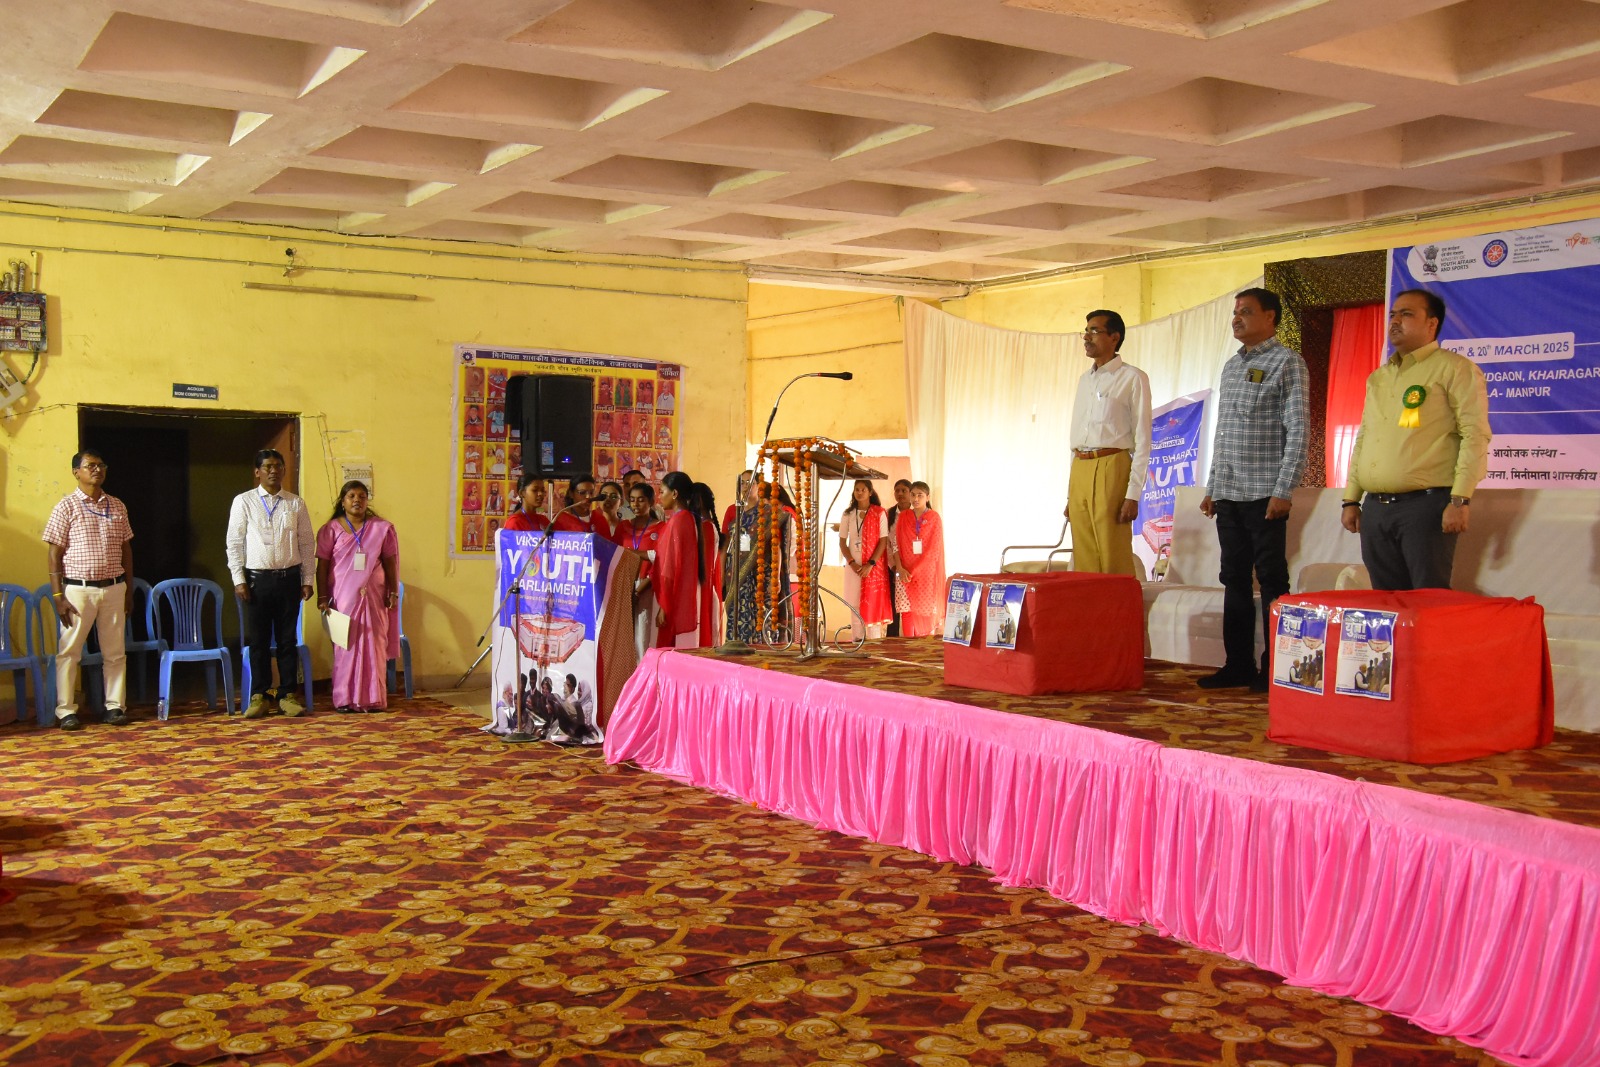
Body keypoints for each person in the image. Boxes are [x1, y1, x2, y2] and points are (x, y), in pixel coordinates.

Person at [1341, 289, 1491, 590]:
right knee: (1386, 602)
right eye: (1393, 314)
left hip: (1426, 507)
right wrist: (1351, 499)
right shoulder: (1379, 377)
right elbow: (1366, 438)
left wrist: (1460, 499)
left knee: (1427, 599)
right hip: (1375, 508)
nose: (1395, 321)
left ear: (1432, 323)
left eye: (1407, 314)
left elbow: (1474, 434)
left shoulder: (1455, 369)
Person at [1199, 287, 1309, 692]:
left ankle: (1276, 668)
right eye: (1235, 312)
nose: (1236, 319)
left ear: (1270, 317)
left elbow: (1298, 430)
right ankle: (1238, 665)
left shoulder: (1288, 362)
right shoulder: (1231, 366)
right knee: (1234, 579)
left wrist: (1285, 489)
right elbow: (1223, 433)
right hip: (1228, 493)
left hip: (1265, 493)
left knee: (1272, 580)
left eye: (1246, 311)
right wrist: (1213, 486)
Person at [42, 448, 134, 730]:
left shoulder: (117, 505)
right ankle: (66, 711)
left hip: (114, 588)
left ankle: (115, 707)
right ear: (76, 472)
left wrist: (128, 590)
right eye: (90, 465)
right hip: (77, 591)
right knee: (69, 652)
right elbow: (54, 554)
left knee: (115, 652)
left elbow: (126, 550)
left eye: (101, 465)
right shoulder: (66, 506)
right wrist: (58, 595)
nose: (97, 470)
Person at [227, 449, 316, 718]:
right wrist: (239, 579)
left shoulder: (295, 503)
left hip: (289, 579)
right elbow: (234, 543)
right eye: (267, 466)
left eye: (278, 466)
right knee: (259, 642)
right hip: (257, 581)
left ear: (284, 470)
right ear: (257, 472)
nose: (273, 471)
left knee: (288, 640)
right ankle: (260, 695)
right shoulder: (244, 501)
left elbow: (306, 543)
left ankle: (287, 695)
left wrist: (307, 579)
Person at [1063, 309, 1152, 576]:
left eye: (1094, 331)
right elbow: (1077, 435)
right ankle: (1088, 603)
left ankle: (1119, 602)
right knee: (1084, 551)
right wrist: (1070, 493)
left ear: (1114, 337)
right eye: (1085, 331)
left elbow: (1143, 439)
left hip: (1112, 464)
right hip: (1081, 466)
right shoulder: (1084, 380)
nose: (1086, 337)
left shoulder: (1133, 377)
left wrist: (1133, 495)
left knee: (1112, 550)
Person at [315, 481, 399, 714]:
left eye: (362, 496)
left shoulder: (381, 528)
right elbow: (323, 565)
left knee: (374, 644)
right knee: (346, 645)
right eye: (351, 496)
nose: (357, 500)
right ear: (342, 501)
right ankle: (344, 699)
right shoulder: (330, 529)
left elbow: (390, 562)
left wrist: (393, 591)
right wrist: (322, 596)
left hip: (375, 596)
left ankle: (373, 698)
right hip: (343, 597)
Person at [653, 471, 711, 649]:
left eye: (662, 492)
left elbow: (671, 565)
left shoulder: (679, 521)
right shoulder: (686, 518)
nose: (659, 497)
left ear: (675, 493)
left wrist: (664, 605)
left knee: (669, 650)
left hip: (674, 596)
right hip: (679, 594)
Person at [839, 480, 893, 640]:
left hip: (873, 567)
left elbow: (883, 541)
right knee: (855, 605)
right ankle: (857, 642)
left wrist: (870, 564)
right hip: (853, 567)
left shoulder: (879, 513)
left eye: (863, 489)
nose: (860, 492)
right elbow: (842, 542)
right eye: (857, 489)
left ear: (870, 492)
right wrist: (851, 563)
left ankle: (873, 645)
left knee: (873, 605)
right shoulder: (848, 514)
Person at [893, 481, 946, 638]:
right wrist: (900, 568)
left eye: (920, 495)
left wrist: (914, 571)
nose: (916, 499)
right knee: (906, 611)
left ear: (927, 497)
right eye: (913, 495)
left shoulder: (934, 518)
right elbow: (895, 544)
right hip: (904, 572)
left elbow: (934, 550)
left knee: (925, 611)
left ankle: (924, 647)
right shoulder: (903, 517)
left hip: (926, 574)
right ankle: (909, 646)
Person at [623, 482, 663, 656]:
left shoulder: (661, 528)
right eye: (632, 500)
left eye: (641, 500)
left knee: (643, 638)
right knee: (624, 638)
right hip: (624, 585)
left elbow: (661, 561)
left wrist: (640, 589)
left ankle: (644, 672)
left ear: (651, 502)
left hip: (647, 586)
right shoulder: (623, 527)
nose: (636, 504)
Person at [885, 479, 912, 637]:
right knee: (894, 604)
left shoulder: (917, 513)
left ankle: (913, 639)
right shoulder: (888, 514)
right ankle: (892, 639)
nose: (900, 494)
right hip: (894, 566)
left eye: (904, 490)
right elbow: (887, 542)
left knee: (911, 608)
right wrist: (894, 565)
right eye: (897, 491)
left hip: (913, 567)